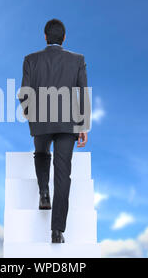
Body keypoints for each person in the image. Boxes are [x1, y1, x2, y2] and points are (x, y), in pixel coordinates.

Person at [19, 19, 90, 243]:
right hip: (68, 124)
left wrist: (32, 116)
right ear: (64, 37)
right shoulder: (78, 60)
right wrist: (83, 125)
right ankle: (57, 231)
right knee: (63, 174)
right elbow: (83, 93)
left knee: (41, 153)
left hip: (40, 121)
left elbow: (24, 93)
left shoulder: (30, 60)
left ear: (45, 36)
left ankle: (43, 193)